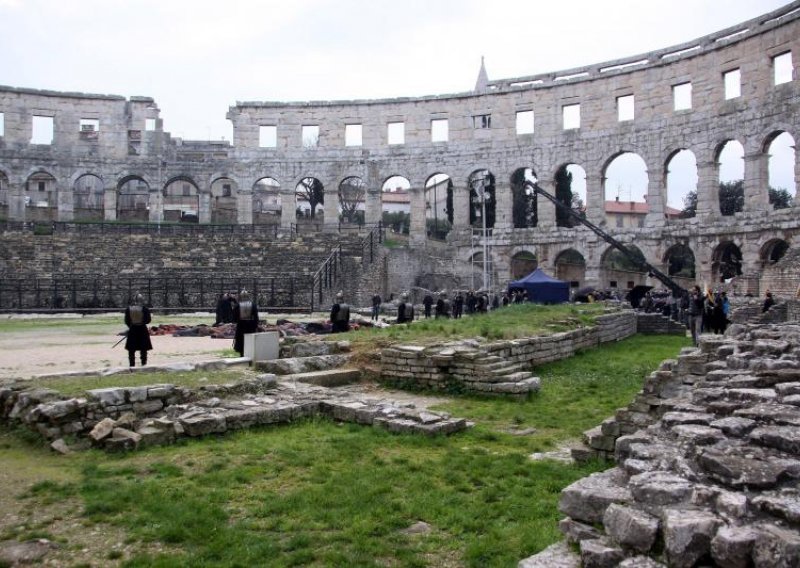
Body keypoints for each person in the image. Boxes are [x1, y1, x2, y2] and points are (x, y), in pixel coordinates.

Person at [124, 293, 152, 367]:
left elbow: (127, 321)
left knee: (131, 349)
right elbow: (148, 320)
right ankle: (144, 364)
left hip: (133, 329)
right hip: (142, 329)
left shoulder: (128, 309)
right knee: (143, 349)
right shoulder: (144, 309)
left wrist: (131, 326)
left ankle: (132, 365)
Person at [233, 290, 259, 355]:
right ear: (248, 296)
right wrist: (255, 325)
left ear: (241, 297)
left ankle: (242, 354)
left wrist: (237, 321)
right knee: (250, 341)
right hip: (250, 325)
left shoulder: (238, 305)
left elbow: (234, 317)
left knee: (241, 341)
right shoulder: (253, 305)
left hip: (241, 325)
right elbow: (256, 317)